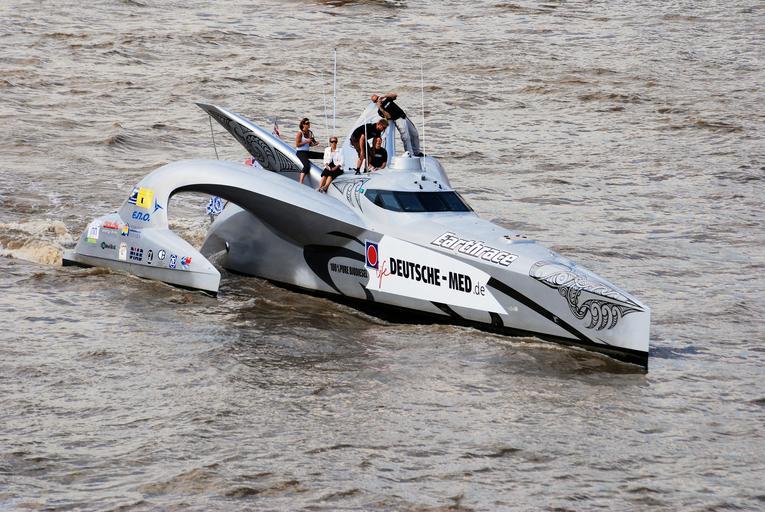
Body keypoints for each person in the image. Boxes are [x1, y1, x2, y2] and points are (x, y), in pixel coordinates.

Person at [371, 92, 422, 157]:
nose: (378, 100)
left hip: (403, 116)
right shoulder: (380, 111)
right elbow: (388, 116)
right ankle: (410, 154)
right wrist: (380, 107)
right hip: (397, 120)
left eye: (377, 98)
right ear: (375, 102)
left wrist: (384, 96)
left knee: (414, 133)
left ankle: (417, 152)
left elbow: (395, 95)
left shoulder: (387, 100)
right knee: (406, 137)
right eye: (376, 100)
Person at [295, 118, 319, 185]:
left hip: (307, 152)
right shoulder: (300, 133)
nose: (308, 124)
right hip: (300, 152)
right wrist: (306, 141)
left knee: (323, 155)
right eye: (307, 123)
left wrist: (315, 144)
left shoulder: (310, 132)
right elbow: (297, 145)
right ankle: (300, 182)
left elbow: (310, 144)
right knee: (307, 166)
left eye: (309, 123)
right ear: (303, 125)